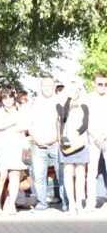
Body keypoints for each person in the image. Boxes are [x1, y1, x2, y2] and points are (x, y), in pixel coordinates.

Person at [27, 77, 66, 212]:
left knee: (62, 174)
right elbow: (29, 124)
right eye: (45, 85)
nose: (48, 88)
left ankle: (66, 203)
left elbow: (63, 124)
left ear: (54, 87)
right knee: (39, 176)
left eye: (50, 85)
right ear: (41, 87)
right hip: (38, 145)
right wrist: (37, 140)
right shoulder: (34, 103)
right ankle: (41, 203)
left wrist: (54, 139)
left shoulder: (59, 102)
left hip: (56, 143)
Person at [0, 87, 27, 216]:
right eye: (4, 98)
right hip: (1, 148)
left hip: (16, 146)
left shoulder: (20, 109)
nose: (8, 101)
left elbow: (24, 126)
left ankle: (12, 204)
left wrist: (7, 125)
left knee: (15, 176)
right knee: (1, 176)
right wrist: (12, 123)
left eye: (10, 98)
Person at [58, 80, 90, 215]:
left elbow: (85, 124)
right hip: (67, 144)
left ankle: (79, 203)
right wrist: (69, 98)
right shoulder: (61, 105)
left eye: (77, 89)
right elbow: (63, 116)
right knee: (68, 173)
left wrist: (77, 133)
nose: (74, 91)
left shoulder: (84, 106)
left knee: (81, 173)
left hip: (81, 143)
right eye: (72, 89)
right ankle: (71, 203)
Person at [85, 73, 107, 211]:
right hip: (93, 138)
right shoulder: (87, 99)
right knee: (91, 172)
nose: (103, 87)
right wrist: (96, 136)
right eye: (100, 84)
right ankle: (90, 202)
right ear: (94, 83)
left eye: (106, 84)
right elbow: (84, 121)